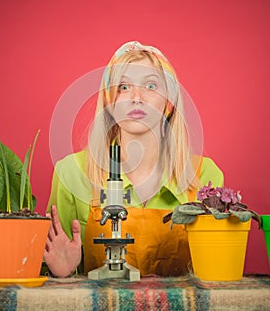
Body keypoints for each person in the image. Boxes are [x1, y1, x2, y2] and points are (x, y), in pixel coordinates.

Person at [44, 41, 224, 278]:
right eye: (124, 87)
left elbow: (218, 271)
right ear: (109, 102)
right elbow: (50, 270)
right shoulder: (72, 172)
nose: (136, 98)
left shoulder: (205, 174)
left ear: (169, 103)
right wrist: (62, 274)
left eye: (151, 85)